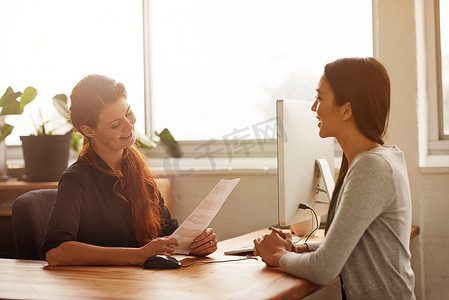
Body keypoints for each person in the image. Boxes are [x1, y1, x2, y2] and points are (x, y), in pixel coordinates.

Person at [253, 57, 415, 300]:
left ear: (347, 110)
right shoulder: (378, 158)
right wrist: (297, 248)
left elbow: (324, 269)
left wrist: (278, 256)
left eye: (319, 98)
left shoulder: (372, 167)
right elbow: (347, 244)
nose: (313, 108)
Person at [42, 74, 217, 266]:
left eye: (128, 113)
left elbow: (167, 233)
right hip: (100, 289)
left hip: (139, 285)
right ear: (89, 130)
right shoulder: (76, 180)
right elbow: (55, 252)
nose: (129, 126)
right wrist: (138, 255)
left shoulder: (136, 170)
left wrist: (196, 243)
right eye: (115, 125)